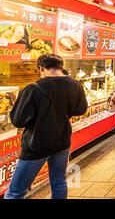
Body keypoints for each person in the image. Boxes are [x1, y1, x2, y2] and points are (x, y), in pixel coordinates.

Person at [5, 54, 88, 199]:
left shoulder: (33, 89)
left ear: (41, 68)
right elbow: (80, 110)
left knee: (15, 192)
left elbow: (18, 121)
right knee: (59, 181)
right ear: (60, 67)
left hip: (37, 145)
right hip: (62, 141)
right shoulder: (75, 85)